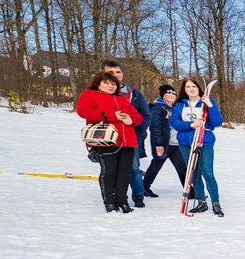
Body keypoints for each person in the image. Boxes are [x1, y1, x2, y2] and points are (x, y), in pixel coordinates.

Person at [77, 70, 143, 213]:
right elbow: (83, 111)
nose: (111, 86)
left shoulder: (122, 99)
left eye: (113, 84)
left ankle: (122, 201)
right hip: (106, 139)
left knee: (125, 173)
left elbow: (138, 116)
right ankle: (109, 202)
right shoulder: (89, 94)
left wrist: (131, 119)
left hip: (127, 141)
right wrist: (112, 116)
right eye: (106, 83)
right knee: (109, 171)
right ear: (98, 84)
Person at [170, 77, 225, 216]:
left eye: (194, 86)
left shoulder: (207, 102)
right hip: (185, 142)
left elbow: (217, 122)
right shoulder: (179, 105)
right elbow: (174, 123)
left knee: (207, 172)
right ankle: (201, 202)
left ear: (198, 88)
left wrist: (210, 106)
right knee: (193, 173)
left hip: (204, 141)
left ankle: (216, 203)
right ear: (184, 89)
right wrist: (191, 125)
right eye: (188, 87)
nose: (191, 89)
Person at [101, 59, 151, 206]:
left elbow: (146, 116)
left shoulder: (134, 93)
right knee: (111, 169)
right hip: (108, 137)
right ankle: (113, 198)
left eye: (118, 72)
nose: (115, 75)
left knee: (133, 167)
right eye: (110, 73)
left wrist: (138, 131)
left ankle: (138, 196)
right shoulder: (98, 93)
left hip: (131, 137)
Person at [144, 84, 187, 195]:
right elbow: (155, 127)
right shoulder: (158, 108)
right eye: (168, 93)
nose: (171, 95)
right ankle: (144, 187)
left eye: (173, 93)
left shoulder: (177, 108)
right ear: (163, 95)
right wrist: (158, 144)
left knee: (182, 168)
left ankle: (189, 190)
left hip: (176, 144)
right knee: (156, 166)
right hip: (163, 144)